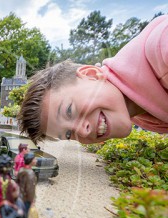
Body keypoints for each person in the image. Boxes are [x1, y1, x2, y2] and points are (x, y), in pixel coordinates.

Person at [18, 15, 168, 145]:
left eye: (69, 110)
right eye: (69, 134)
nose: (83, 132)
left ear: (91, 74)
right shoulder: (142, 116)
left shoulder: (161, 49)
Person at [15, 153, 38, 218]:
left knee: (23, 215)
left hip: (20, 196)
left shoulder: (21, 170)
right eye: (34, 159)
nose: (36, 161)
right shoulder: (30, 173)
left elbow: (17, 182)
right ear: (31, 161)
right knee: (27, 216)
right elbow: (30, 189)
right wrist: (32, 200)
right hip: (27, 198)